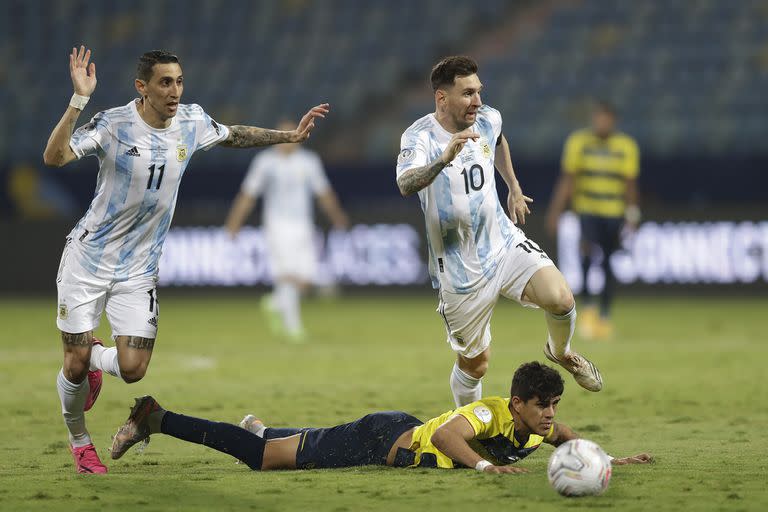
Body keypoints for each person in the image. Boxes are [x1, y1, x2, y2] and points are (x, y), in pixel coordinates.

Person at [43, 46, 330, 474]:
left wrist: (288, 137)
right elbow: (55, 156)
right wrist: (78, 100)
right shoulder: (114, 123)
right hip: (87, 261)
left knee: (134, 369)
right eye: (164, 82)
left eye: (178, 81)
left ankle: (98, 357)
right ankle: (80, 441)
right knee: (74, 362)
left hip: (138, 271)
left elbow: (233, 134)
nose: (174, 91)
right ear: (142, 87)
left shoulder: (192, 122)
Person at [395, 55, 603, 409]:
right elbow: (405, 183)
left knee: (562, 299)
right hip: (460, 269)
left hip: (502, 243)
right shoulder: (419, 137)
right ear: (442, 98)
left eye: (479, 91)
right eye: (467, 94)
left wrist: (514, 186)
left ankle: (561, 351)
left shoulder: (488, 117)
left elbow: (500, 140)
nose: (477, 101)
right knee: (476, 365)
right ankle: (467, 427)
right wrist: (443, 159)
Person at [110, 362, 650, 472]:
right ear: (516, 404)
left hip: (396, 436)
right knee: (264, 462)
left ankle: (263, 428)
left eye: (554, 406)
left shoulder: (542, 427)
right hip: (381, 439)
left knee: (279, 444)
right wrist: (486, 470)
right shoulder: (490, 413)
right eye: (542, 406)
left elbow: (570, 439)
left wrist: (606, 462)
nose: (550, 416)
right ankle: (157, 417)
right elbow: (446, 433)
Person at [224, 121, 349, 341]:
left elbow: (324, 192)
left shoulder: (309, 162)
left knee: (306, 279)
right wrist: (234, 223)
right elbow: (248, 195)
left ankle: (275, 303)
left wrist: (337, 216)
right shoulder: (265, 162)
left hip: (303, 225)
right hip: (277, 225)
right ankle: (294, 328)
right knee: (287, 276)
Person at [545, 102, 640, 340]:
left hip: (614, 212)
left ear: (613, 121)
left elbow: (630, 184)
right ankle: (588, 309)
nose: (601, 123)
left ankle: (605, 316)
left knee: (608, 262)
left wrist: (632, 213)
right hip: (587, 210)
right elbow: (568, 179)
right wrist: (556, 211)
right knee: (586, 254)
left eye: (606, 119)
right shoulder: (579, 143)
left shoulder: (625, 146)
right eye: (598, 118)